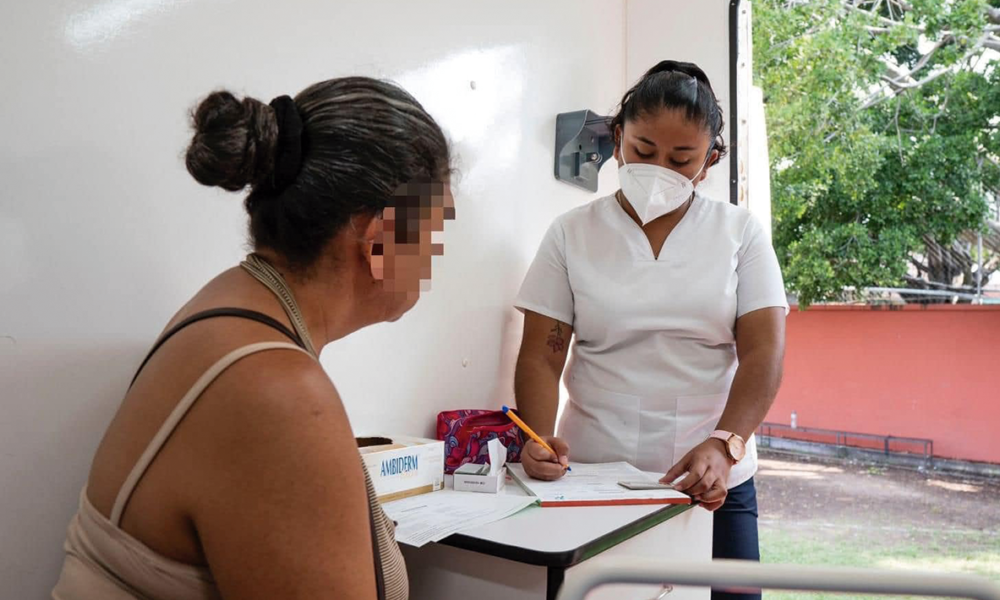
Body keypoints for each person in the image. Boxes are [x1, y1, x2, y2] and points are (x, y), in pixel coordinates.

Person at [52, 76, 454, 600]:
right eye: (435, 228)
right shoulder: (278, 392)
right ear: (380, 239)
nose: (437, 254)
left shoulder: (232, 302)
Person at [513, 60, 786, 600]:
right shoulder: (571, 233)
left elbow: (764, 355)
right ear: (617, 141)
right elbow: (542, 354)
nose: (659, 168)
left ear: (708, 161)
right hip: (593, 473)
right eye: (643, 150)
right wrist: (538, 441)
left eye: (681, 159)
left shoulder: (740, 233)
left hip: (713, 477)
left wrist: (725, 445)